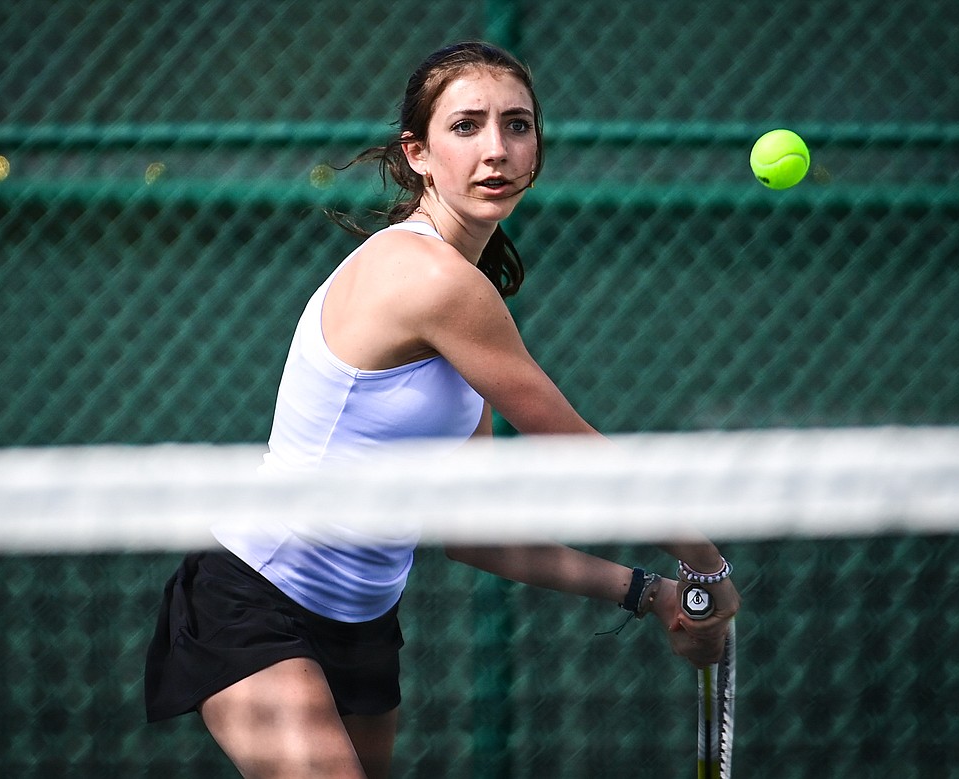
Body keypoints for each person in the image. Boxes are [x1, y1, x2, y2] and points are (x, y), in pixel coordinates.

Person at [144, 40, 740, 779]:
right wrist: (707, 565)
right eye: (466, 127)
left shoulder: (467, 287)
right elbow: (575, 449)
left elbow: (471, 531)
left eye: (517, 125)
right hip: (253, 601)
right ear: (417, 152)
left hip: (363, 625)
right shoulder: (426, 276)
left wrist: (649, 592)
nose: (496, 149)